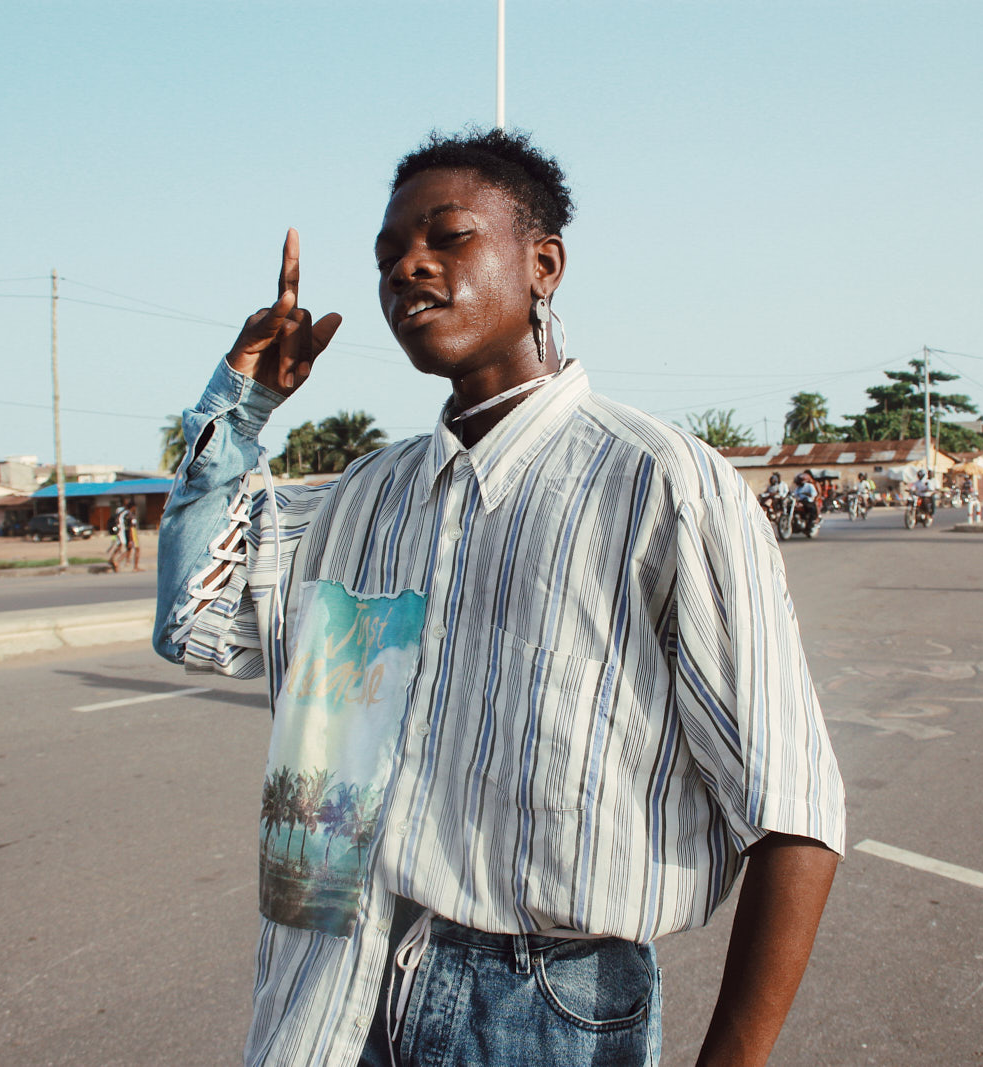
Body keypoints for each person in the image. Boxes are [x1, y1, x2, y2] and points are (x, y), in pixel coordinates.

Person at [153, 129, 844, 1067]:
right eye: (388, 256)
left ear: (543, 264)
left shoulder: (661, 485)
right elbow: (194, 621)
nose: (410, 268)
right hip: (330, 994)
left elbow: (793, 809)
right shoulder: (361, 499)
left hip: (541, 1009)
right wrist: (236, 406)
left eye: (448, 238)